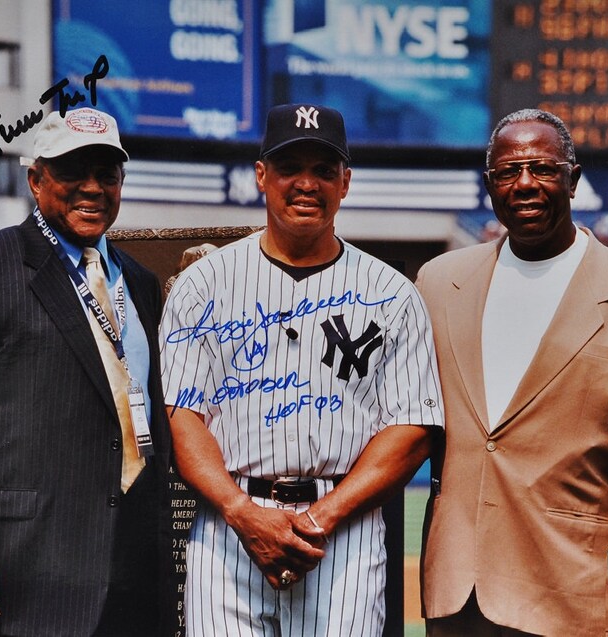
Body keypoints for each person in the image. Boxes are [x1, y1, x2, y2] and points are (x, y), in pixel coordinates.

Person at [159, 103, 444, 636]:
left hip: (344, 531)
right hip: (229, 531)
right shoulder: (205, 284)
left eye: (324, 169)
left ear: (346, 181)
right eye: (290, 167)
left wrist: (320, 519)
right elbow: (182, 417)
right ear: (262, 175)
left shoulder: (391, 294)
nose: (307, 184)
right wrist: (241, 512)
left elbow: (411, 432)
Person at [416, 108, 608, 637]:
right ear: (490, 185)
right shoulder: (438, 282)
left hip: (574, 591)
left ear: (573, 178)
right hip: (458, 591)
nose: (525, 183)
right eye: (508, 171)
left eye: (543, 168)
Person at [0, 107, 171, 637]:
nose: (93, 188)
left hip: (134, 575)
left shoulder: (140, 283)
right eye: (74, 170)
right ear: (36, 179)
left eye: (107, 173)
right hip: (24, 573)